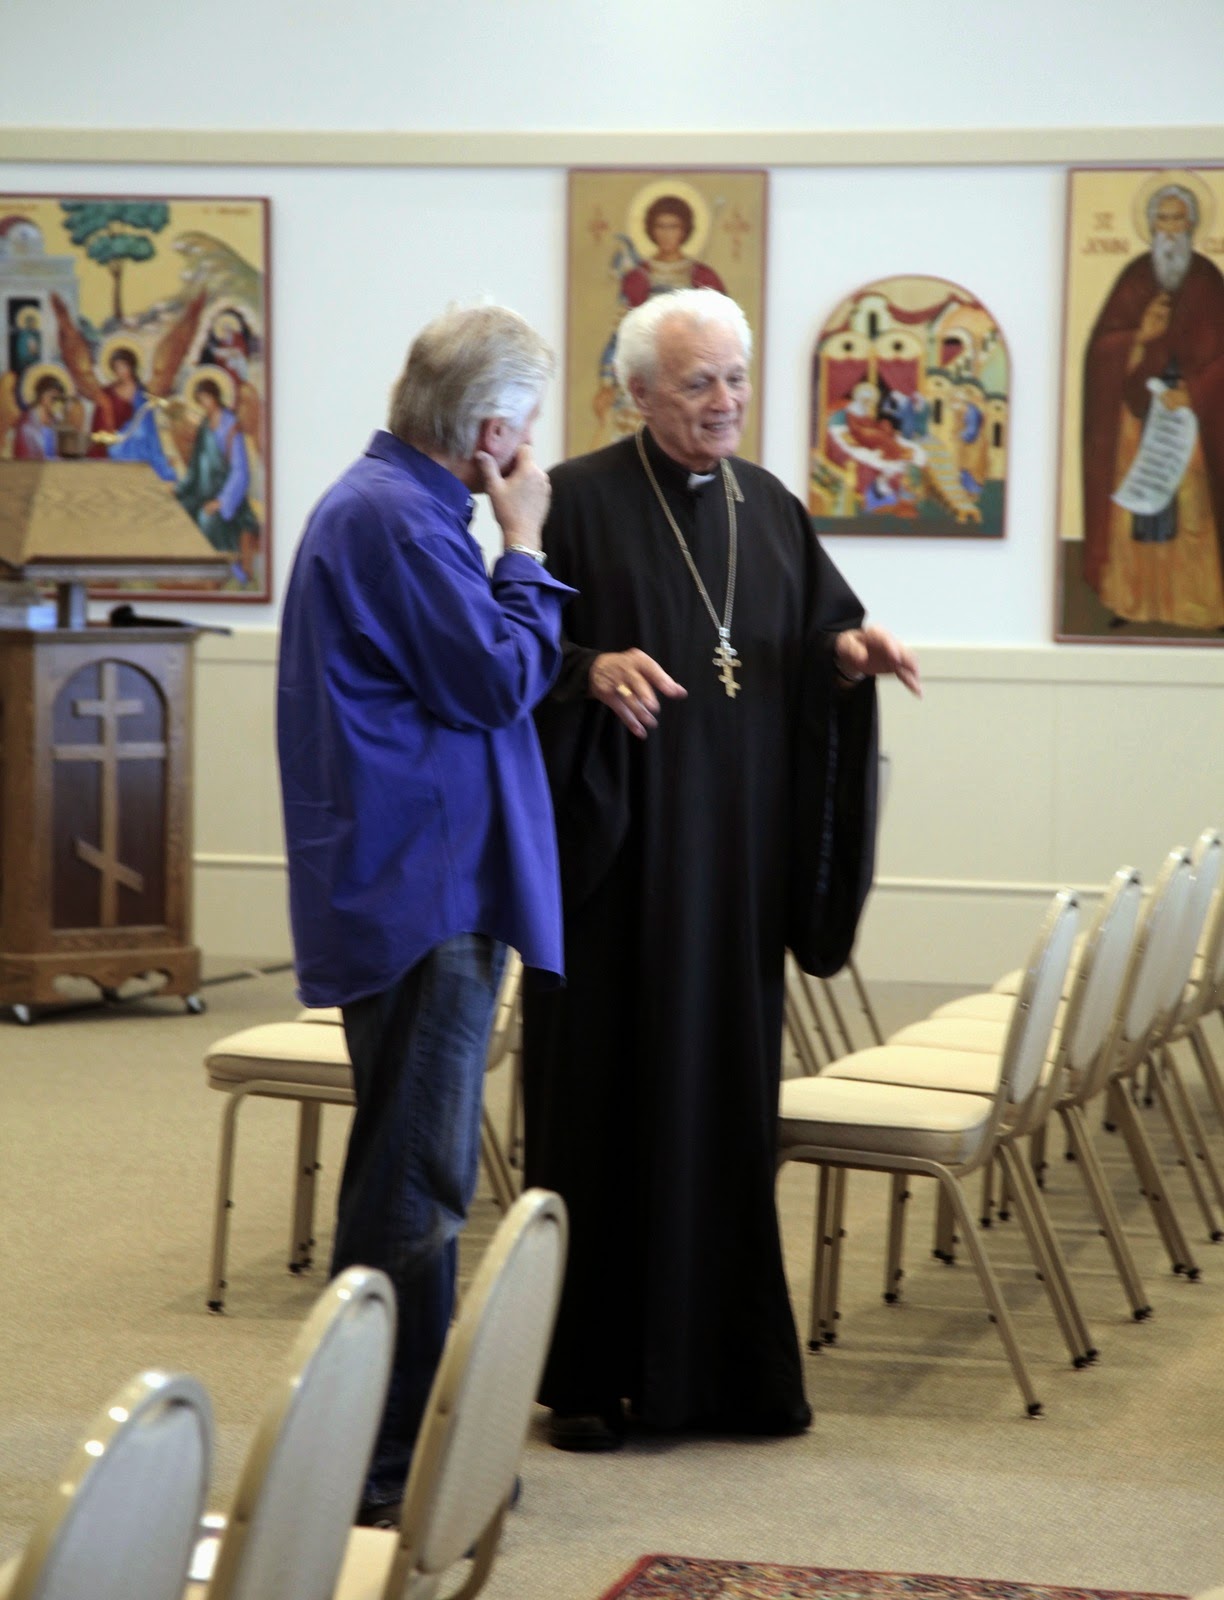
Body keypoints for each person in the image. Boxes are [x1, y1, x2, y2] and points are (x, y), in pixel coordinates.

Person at [522, 287, 920, 1452]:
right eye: (699, 382)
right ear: (638, 392)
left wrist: (844, 658)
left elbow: (806, 642)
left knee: (722, 1116)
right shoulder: (573, 503)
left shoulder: (772, 506)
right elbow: (513, 649)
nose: (725, 401)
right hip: (618, 879)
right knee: (602, 1111)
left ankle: (725, 1372)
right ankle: (589, 1377)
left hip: (734, 879)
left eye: (736, 378)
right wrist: (589, 668)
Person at [276, 303, 573, 1523]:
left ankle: (382, 1450)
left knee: (408, 1174)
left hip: (422, 877)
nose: (533, 445)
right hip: (423, 892)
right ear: (494, 432)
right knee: (417, 1188)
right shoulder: (400, 521)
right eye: (529, 422)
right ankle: (386, 1471)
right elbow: (497, 678)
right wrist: (525, 543)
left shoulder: (392, 506)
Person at [1081, 181, 1224, 630]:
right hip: (1137, 415)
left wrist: (1195, 392)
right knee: (1135, 509)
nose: (1170, 229)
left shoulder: (1208, 281)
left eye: (1178, 219)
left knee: (1195, 510)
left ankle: (1203, 607)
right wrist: (1139, 337)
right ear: (1151, 225)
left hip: (1190, 420)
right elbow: (1101, 349)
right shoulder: (1134, 279)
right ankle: (1132, 602)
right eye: (1162, 219)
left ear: (1192, 225)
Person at [175, 374, 261, 582]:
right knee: (181, 508)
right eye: (200, 400)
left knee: (207, 518)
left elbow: (240, 471)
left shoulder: (230, 426)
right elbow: (196, 467)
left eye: (206, 398)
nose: (204, 403)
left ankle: (225, 570)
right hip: (202, 491)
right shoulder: (205, 426)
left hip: (228, 495)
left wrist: (222, 502)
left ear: (215, 396)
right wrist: (181, 490)